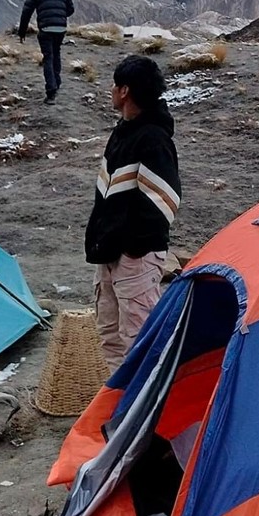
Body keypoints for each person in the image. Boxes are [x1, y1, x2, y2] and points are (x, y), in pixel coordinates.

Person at [85, 55, 181, 373]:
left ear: (124, 91)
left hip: (133, 258)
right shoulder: (124, 131)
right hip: (109, 252)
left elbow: (164, 201)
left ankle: (145, 414)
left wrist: (132, 248)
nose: (111, 90)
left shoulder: (153, 139)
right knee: (110, 335)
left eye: (115, 85)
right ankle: (119, 409)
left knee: (140, 340)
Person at [17, 0, 74, 104]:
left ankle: (51, 91)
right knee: (56, 52)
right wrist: (60, 15)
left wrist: (22, 32)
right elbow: (71, 9)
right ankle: (57, 82)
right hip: (61, 28)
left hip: (46, 28)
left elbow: (26, 11)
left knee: (48, 57)